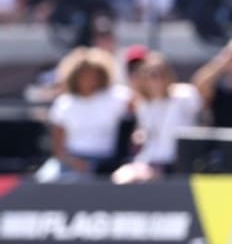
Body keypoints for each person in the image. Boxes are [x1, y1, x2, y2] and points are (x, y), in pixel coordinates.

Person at [37, 48, 132, 182]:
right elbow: (58, 149)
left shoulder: (117, 97)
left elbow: (141, 106)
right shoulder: (64, 104)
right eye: (84, 75)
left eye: (93, 75)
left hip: (106, 162)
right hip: (72, 160)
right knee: (45, 180)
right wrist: (74, 162)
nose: (89, 80)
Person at [111, 52, 203, 183]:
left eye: (160, 73)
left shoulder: (184, 95)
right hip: (150, 160)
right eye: (150, 75)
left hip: (176, 163)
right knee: (120, 177)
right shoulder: (144, 105)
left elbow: (201, 114)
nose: (156, 79)